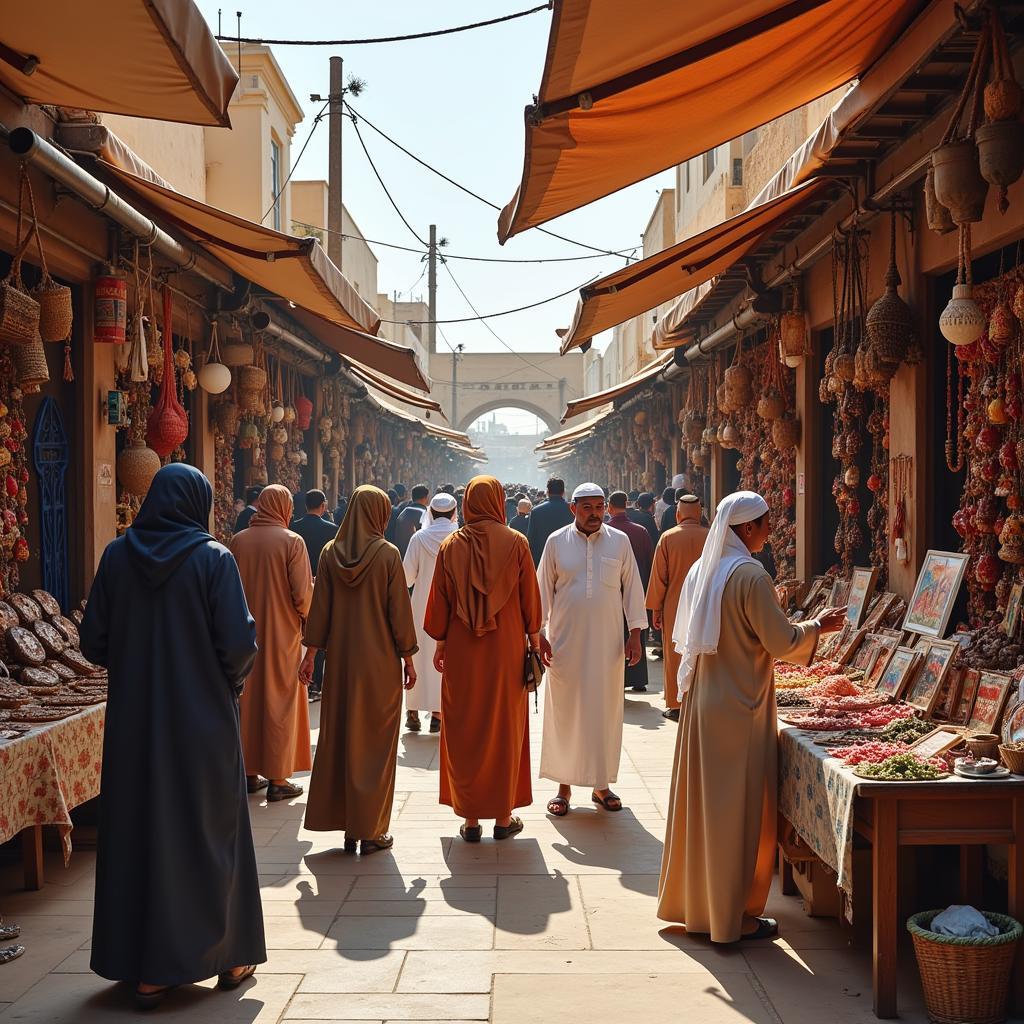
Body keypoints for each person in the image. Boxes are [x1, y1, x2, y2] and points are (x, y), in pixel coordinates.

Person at [80, 464, 263, 1008]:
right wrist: (224, 684)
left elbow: (94, 642)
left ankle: (148, 968)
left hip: (136, 722)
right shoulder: (213, 559)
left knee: (142, 830)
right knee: (208, 830)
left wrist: (138, 661)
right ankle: (227, 957)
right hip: (202, 720)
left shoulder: (117, 556)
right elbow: (239, 644)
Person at [658, 491, 846, 943]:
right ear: (746, 529)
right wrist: (819, 626)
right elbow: (781, 642)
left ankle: (697, 908)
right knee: (738, 815)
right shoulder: (749, 575)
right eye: (765, 524)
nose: (771, 531)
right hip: (740, 708)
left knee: (706, 809)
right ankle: (732, 918)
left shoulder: (706, 569)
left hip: (705, 701)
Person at [301, 486, 418, 855]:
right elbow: (399, 612)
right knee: (375, 746)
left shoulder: (330, 554)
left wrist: (310, 655)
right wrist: (409, 658)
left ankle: (346, 824)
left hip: (340, 662)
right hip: (380, 662)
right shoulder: (387, 554)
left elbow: (320, 609)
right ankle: (371, 831)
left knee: (341, 739)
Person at [425, 476, 542, 843]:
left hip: (462, 647)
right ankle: (504, 817)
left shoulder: (450, 546)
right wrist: (534, 641)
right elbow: (529, 600)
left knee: (465, 726)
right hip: (505, 648)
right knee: (504, 725)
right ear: (499, 502)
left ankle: (471, 819)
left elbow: (439, 603)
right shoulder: (517, 543)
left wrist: (442, 644)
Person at [537, 483, 647, 816]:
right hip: (564, 642)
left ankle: (602, 786)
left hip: (607, 643)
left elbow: (633, 588)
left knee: (604, 711)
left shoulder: (620, 541)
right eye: (587, 507)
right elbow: (542, 589)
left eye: (599, 507)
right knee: (565, 712)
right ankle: (563, 787)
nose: (595, 513)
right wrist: (539, 633)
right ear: (573, 509)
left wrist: (636, 633)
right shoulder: (557, 542)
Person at [230, 485, 314, 802]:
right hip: (282, 634)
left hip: (243, 633)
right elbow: (303, 594)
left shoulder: (238, 541)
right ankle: (278, 778)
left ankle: (249, 772)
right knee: (280, 700)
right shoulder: (292, 541)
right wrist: (309, 621)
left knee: (248, 698)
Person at [646, 494, 710, 720]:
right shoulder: (711, 537)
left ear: (677, 515)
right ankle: (702, 701)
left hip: (675, 605)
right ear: (700, 513)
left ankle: (676, 703)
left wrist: (656, 608)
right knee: (705, 651)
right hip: (706, 603)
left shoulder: (668, 538)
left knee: (675, 653)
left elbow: (659, 577)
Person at [402, 493, 459, 733]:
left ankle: (413, 712)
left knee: (419, 656)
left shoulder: (418, 538)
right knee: (443, 659)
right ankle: (438, 713)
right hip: (450, 607)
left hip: (421, 605)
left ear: (431, 513)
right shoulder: (460, 538)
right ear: (455, 513)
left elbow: (407, 577)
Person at [291, 490, 339, 702]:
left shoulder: (293, 529)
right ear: (323, 505)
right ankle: (316, 681)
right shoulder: (332, 530)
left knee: (300, 630)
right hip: (323, 586)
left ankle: (300, 673)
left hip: (296, 586)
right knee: (320, 631)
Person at [607, 491, 654, 694]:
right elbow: (651, 561)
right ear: (626, 505)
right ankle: (638, 679)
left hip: (610, 591)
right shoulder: (640, 531)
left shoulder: (605, 532)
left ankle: (616, 678)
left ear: (609, 507)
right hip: (638, 588)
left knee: (614, 634)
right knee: (636, 629)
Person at [526, 477, 574, 566]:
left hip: (542, 561)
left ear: (547, 492)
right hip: (568, 562)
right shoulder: (573, 510)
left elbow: (531, 540)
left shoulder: (536, 511)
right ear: (563, 492)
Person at [394, 484, 430, 558]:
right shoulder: (424, 514)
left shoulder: (403, 512)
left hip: (400, 556)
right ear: (425, 498)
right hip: (415, 558)